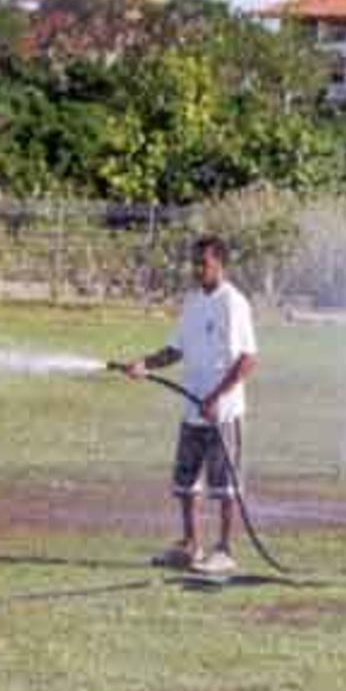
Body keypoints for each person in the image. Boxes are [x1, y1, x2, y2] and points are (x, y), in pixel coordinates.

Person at [122, 235, 258, 575]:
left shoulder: (234, 303)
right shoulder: (193, 301)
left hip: (222, 412)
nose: (197, 270)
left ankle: (224, 550)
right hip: (192, 407)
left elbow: (247, 360)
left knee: (224, 486)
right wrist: (145, 364)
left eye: (204, 264)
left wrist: (215, 398)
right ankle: (190, 546)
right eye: (195, 263)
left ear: (220, 264)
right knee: (185, 483)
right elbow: (176, 349)